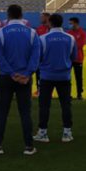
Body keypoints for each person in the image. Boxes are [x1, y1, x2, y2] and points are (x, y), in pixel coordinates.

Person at [0, 4, 41, 155]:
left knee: (2, 112)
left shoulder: (1, 33)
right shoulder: (32, 33)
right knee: (25, 112)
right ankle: (29, 146)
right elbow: (35, 57)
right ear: (21, 15)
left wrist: (12, 74)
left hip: (6, 77)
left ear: (8, 15)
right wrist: (26, 74)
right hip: (24, 79)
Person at [33, 13, 77, 143]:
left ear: (50, 23)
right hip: (64, 76)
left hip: (47, 76)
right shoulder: (70, 38)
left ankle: (43, 132)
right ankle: (67, 132)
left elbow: (38, 57)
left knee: (44, 105)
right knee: (66, 105)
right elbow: (73, 57)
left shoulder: (43, 38)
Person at [66, 17, 86, 100]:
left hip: (78, 58)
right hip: (68, 58)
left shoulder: (82, 33)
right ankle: (67, 93)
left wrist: (70, 46)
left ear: (76, 23)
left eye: (71, 23)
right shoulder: (69, 33)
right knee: (67, 76)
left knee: (78, 77)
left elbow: (80, 45)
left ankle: (79, 94)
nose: (69, 25)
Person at [33, 12, 51, 97]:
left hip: (50, 55)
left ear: (47, 18)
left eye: (42, 17)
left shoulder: (52, 28)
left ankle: (48, 91)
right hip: (40, 55)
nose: (40, 18)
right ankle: (39, 90)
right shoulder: (39, 28)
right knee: (38, 73)